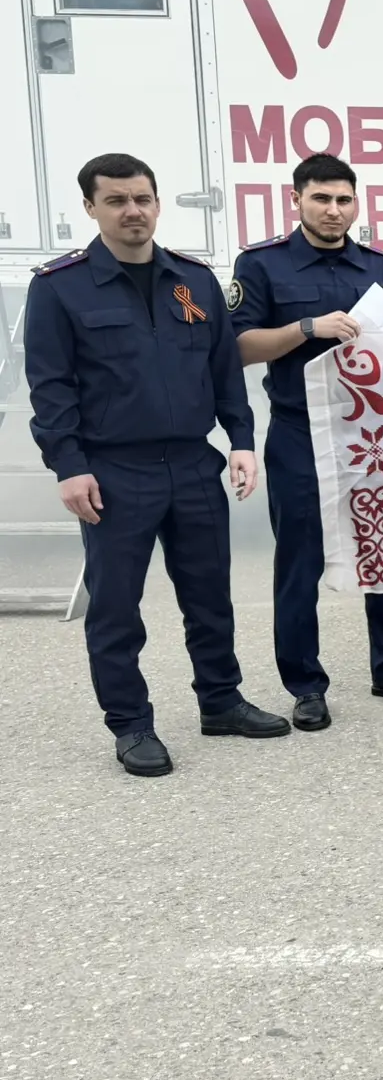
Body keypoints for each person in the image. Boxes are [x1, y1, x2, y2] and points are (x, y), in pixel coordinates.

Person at [25, 153, 287, 777]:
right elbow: (51, 387)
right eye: (116, 200)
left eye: (142, 198)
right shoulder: (60, 287)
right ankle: (131, 725)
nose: (132, 211)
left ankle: (220, 702)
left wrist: (242, 440)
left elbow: (224, 370)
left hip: (193, 465)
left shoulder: (192, 281)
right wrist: (69, 466)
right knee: (117, 607)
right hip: (114, 473)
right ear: (90, 207)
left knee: (210, 596)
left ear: (158, 203)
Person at [232, 153, 383, 721]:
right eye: (321, 198)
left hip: (373, 432)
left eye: (344, 200)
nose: (333, 210)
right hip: (301, 431)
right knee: (299, 561)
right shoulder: (262, 264)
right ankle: (305, 686)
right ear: (296, 199)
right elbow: (239, 348)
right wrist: (307, 328)